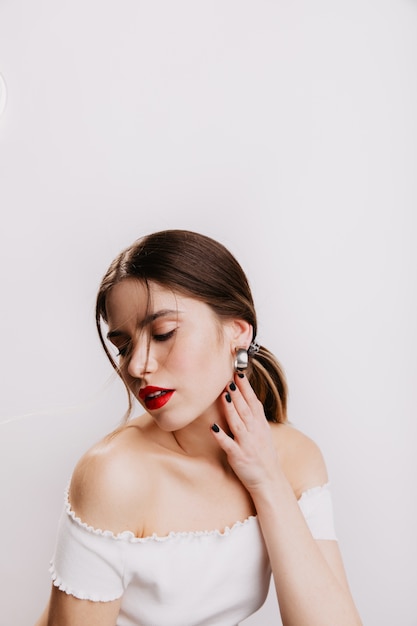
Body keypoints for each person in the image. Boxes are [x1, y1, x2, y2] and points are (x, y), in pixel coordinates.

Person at [35, 229, 362, 626]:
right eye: (123, 347)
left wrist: (267, 481)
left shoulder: (296, 459)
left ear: (237, 333)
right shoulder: (115, 475)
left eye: (163, 334)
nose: (137, 366)